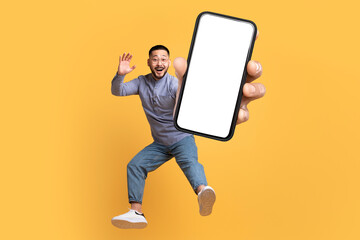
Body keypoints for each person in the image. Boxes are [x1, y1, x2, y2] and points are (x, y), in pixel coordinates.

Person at [110, 42, 265, 229]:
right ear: (149, 63)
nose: (159, 63)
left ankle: (204, 192)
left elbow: (191, 103)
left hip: (181, 138)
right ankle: (137, 212)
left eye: (163, 59)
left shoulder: (174, 84)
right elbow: (118, 91)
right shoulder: (141, 82)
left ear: (168, 63)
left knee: (189, 163)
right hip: (160, 143)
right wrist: (120, 75)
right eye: (155, 59)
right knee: (135, 165)